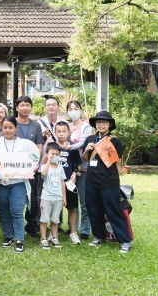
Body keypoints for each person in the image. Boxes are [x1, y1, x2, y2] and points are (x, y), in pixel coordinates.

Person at [0, 116, 40, 254]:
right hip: (2, 182)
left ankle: (19, 239)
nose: (8, 130)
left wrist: (32, 169)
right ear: (1, 128)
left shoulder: (25, 144)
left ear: (16, 128)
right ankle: (8, 236)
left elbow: (35, 160)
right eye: (5, 127)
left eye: (11, 127)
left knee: (16, 210)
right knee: (4, 210)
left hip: (19, 182)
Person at [82, 110, 132, 253]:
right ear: (95, 124)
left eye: (104, 122)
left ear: (110, 124)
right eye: (98, 122)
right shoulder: (90, 139)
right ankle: (98, 237)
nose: (101, 124)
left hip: (109, 183)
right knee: (93, 210)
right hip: (91, 182)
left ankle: (125, 241)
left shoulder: (115, 141)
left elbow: (117, 164)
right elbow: (84, 160)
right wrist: (87, 149)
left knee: (113, 211)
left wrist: (117, 182)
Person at [14, 96, 45, 238]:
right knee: (15, 198)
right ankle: (14, 226)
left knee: (32, 199)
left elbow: (39, 146)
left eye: (27, 105)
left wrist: (36, 163)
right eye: (22, 105)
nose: (25, 108)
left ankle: (31, 225)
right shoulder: (11, 123)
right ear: (16, 108)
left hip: (31, 169)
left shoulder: (36, 125)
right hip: (14, 168)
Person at [66, 100, 93, 240]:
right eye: (70, 108)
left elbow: (84, 142)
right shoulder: (66, 126)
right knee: (72, 200)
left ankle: (85, 229)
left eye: (76, 108)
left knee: (84, 200)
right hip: (68, 169)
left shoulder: (86, 127)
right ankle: (72, 228)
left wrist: (68, 147)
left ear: (80, 110)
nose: (73, 111)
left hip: (82, 167)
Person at [54, 121, 83, 244]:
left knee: (72, 208)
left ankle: (73, 233)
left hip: (68, 183)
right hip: (54, 183)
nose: (61, 134)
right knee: (54, 208)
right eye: (58, 131)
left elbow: (78, 164)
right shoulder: (51, 146)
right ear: (55, 132)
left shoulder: (72, 147)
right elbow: (45, 162)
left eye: (64, 131)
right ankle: (53, 233)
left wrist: (75, 172)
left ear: (69, 132)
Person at [39, 142, 67, 250]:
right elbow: (44, 174)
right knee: (44, 218)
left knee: (55, 219)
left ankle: (54, 237)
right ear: (47, 153)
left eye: (57, 154)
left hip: (58, 198)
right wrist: (48, 161)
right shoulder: (44, 166)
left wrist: (64, 197)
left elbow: (62, 182)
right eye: (52, 154)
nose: (54, 156)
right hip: (46, 197)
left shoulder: (60, 168)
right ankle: (43, 239)